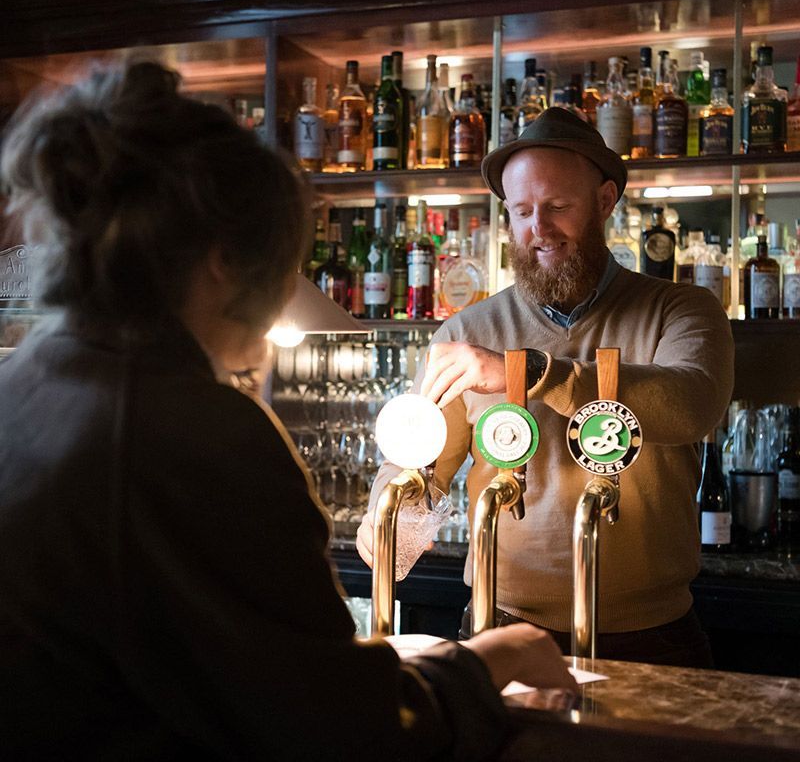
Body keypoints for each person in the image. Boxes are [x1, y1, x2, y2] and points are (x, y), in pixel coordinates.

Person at [0, 64, 576, 760]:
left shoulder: (24, 387)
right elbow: (343, 729)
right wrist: (491, 661)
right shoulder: (193, 431)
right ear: (223, 260)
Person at [359, 107, 734, 668]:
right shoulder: (467, 330)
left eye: (558, 207)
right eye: (522, 212)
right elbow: (421, 461)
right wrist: (394, 516)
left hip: (648, 633)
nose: (539, 229)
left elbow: (691, 405)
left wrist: (533, 373)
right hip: (500, 624)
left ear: (606, 201)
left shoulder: (680, 309)